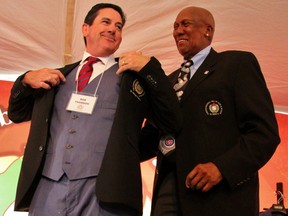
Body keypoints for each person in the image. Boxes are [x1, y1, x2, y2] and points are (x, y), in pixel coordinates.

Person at [8, 3, 182, 216]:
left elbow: (171, 119)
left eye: (118, 27)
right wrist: (24, 80)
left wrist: (149, 68)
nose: (113, 29)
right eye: (106, 22)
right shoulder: (57, 77)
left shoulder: (131, 78)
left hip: (104, 193)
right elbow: (17, 113)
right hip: (49, 188)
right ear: (85, 29)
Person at [134, 6, 280, 216]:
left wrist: (221, 168)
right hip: (168, 189)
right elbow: (150, 138)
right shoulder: (168, 81)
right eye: (175, 27)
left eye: (185, 24)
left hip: (218, 195)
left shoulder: (236, 64)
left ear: (208, 30)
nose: (178, 31)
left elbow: (263, 134)